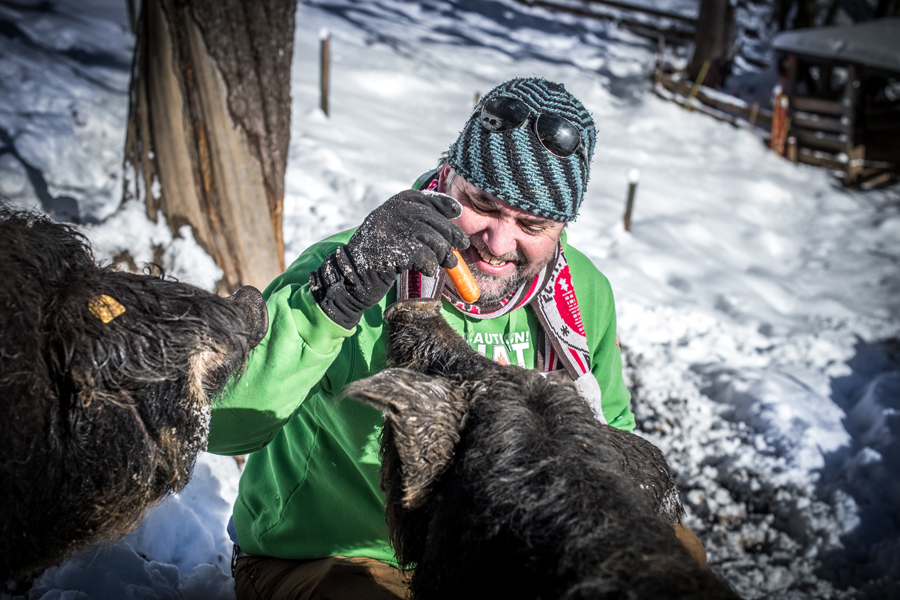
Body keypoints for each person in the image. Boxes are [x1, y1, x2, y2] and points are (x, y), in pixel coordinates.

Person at [207, 77, 634, 600]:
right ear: (449, 175)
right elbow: (218, 426)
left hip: (498, 559)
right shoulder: (349, 267)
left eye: (532, 223)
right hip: (332, 557)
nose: (499, 243)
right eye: (483, 202)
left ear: (562, 226)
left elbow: (611, 435)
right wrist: (333, 300)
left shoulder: (584, 294)